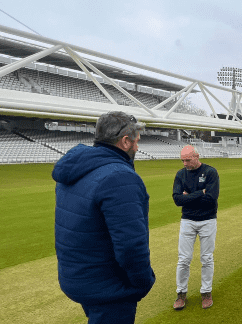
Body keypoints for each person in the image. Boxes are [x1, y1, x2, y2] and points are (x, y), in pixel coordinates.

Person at [53, 111, 155, 324]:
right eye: (136, 141)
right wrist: (143, 283)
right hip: (108, 286)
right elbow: (131, 246)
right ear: (125, 141)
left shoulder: (74, 170)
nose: (137, 147)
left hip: (78, 277)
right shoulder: (120, 176)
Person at [172, 145, 220, 310]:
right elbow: (177, 199)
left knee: (206, 258)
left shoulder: (210, 172)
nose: (185, 163)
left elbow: (211, 198)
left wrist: (188, 197)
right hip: (188, 220)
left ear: (197, 156)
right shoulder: (180, 174)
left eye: (188, 159)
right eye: (182, 160)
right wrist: (201, 193)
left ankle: (206, 292)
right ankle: (181, 293)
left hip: (208, 220)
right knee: (183, 259)